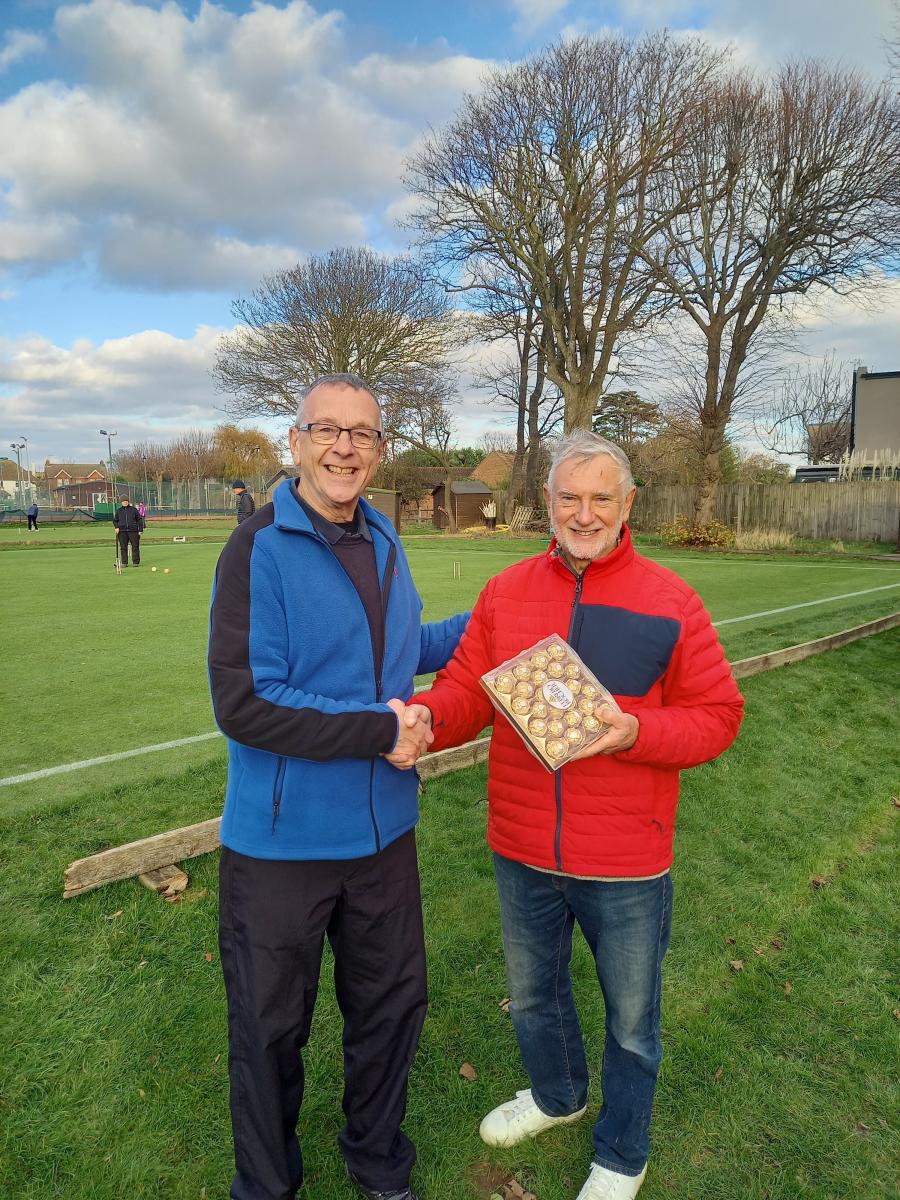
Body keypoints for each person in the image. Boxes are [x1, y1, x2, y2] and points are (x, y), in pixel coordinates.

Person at [408, 431, 744, 1200]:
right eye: (569, 497)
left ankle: (623, 1153)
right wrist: (427, 717)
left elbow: (719, 715)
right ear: (548, 505)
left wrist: (638, 732)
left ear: (628, 504)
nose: (583, 513)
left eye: (601, 497)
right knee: (534, 997)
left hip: (626, 859)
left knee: (632, 1021)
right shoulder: (507, 593)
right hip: (522, 846)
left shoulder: (671, 602)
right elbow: (467, 691)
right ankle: (559, 1097)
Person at [208, 373, 468, 1200]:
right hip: (280, 845)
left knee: (391, 1011)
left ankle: (377, 1158)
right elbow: (246, 703)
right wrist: (381, 730)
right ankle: (268, 1184)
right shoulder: (256, 547)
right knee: (268, 1031)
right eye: (328, 430)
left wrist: (498, 613)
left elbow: (401, 650)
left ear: (379, 449)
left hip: (384, 835)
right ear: (296, 442)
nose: (345, 447)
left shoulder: (385, 539)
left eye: (362, 434)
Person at [113, 495, 144, 567]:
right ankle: (124, 563)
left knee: (135, 546)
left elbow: (139, 519)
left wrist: (140, 529)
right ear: (121, 502)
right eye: (124, 501)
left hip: (133, 531)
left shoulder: (134, 510)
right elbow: (115, 521)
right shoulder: (119, 511)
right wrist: (116, 527)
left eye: (126, 501)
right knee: (123, 547)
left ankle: (136, 562)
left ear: (128, 502)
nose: (125, 503)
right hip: (122, 531)